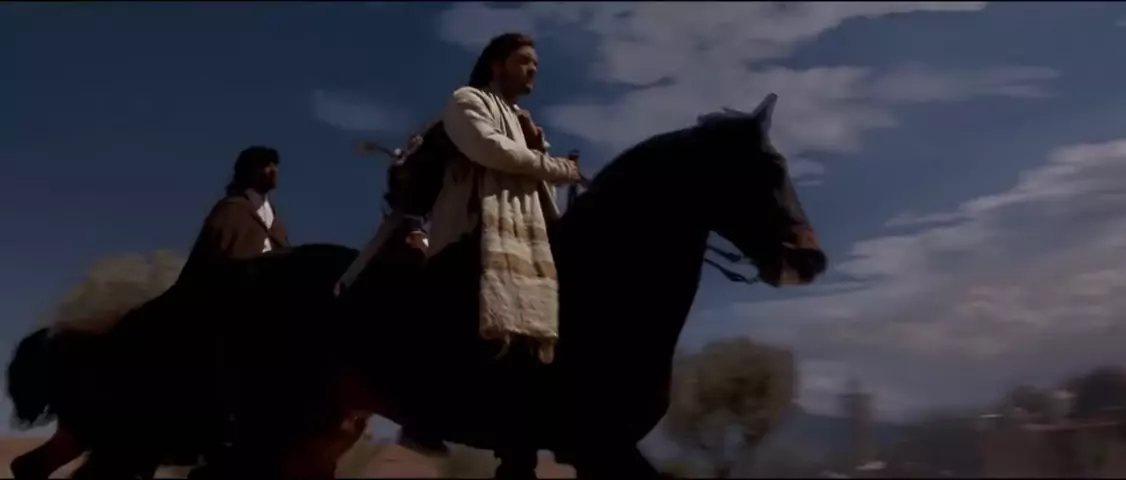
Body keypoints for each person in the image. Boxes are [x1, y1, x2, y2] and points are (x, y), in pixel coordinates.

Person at [430, 32, 580, 364]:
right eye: (523, 61)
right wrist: (556, 166)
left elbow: (541, 197)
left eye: (535, 63)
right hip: (469, 239)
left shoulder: (524, 124)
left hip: (526, 247)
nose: (533, 69)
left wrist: (538, 149)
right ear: (497, 67)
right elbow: (492, 149)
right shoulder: (467, 99)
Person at [178, 145, 290, 286]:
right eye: (267, 166)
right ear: (251, 170)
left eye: (275, 166)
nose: (274, 171)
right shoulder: (231, 210)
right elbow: (204, 259)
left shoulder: (276, 221)